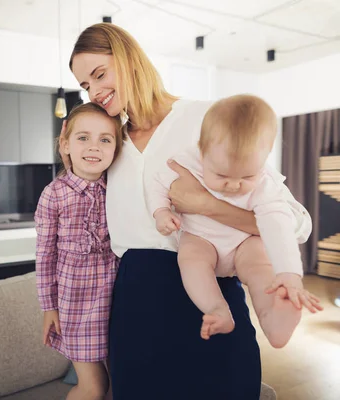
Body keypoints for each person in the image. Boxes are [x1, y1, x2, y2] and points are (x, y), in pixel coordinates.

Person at [66, 23, 312, 399]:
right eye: (85, 85)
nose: (95, 91)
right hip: (136, 302)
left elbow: (295, 222)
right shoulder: (108, 143)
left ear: (130, 60)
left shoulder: (207, 118)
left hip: (211, 294)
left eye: (100, 74)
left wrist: (205, 205)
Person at [147, 94, 323, 347]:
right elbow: (158, 184)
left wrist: (289, 273)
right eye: (222, 175)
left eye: (247, 176)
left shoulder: (265, 183)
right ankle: (217, 309)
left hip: (243, 242)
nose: (233, 185)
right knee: (190, 260)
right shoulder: (184, 160)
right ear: (203, 149)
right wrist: (161, 211)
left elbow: (278, 225)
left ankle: (274, 318)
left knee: (261, 268)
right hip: (200, 238)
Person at [35, 103, 123, 400]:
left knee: (119, 384)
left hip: (118, 303)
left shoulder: (118, 189)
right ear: (66, 145)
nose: (94, 147)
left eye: (105, 139)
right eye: (83, 138)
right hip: (77, 308)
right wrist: (49, 307)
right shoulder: (55, 193)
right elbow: (45, 255)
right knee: (94, 387)